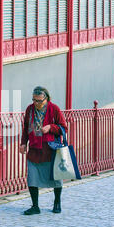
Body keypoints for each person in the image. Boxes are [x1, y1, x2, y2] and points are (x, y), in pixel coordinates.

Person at [19, 86, 68, 215]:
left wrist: (51, 127)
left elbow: (63, 127)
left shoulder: (54, 109)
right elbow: (25, 128)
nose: (36, 103)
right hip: (34, 149)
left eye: (39, 101)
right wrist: (23, 143)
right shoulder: (30, 109)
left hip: (50, 149)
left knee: (56, 178)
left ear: (46, 99)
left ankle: (57, 203)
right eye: (34, 100)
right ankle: (35, 206)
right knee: (32, 178)